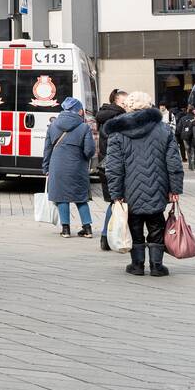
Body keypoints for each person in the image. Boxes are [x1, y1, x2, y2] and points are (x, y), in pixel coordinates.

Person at [104, 91, 184, 277]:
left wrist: (116, 193)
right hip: (158, 188)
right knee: (157, 223)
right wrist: (175, 189)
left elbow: (113, 167)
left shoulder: (117, 132)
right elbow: (174, 163)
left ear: (128, 106)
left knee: (134, 224)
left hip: (129, 189)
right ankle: (157, 266)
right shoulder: (163, 130)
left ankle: (137, 265)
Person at [42, 96, 96, 238]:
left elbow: (47, 149)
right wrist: (83, 157)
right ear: (78, 111)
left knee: (61, 197)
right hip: (77, 166)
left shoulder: (53, 125)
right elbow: (90, 150)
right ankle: (87, 228)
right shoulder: (84, 127)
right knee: (81, 197)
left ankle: (65, 229)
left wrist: (46, 167)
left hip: (57, 165)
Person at [95, 89, 128, 250]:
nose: (126, 105)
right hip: (115, 165)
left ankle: (105, 237)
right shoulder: (117, 119)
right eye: (124, 102)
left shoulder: (105, 116)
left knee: (114, 202)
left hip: (104, 164)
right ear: (116, 102)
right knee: (117, 202)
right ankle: (108, 237)